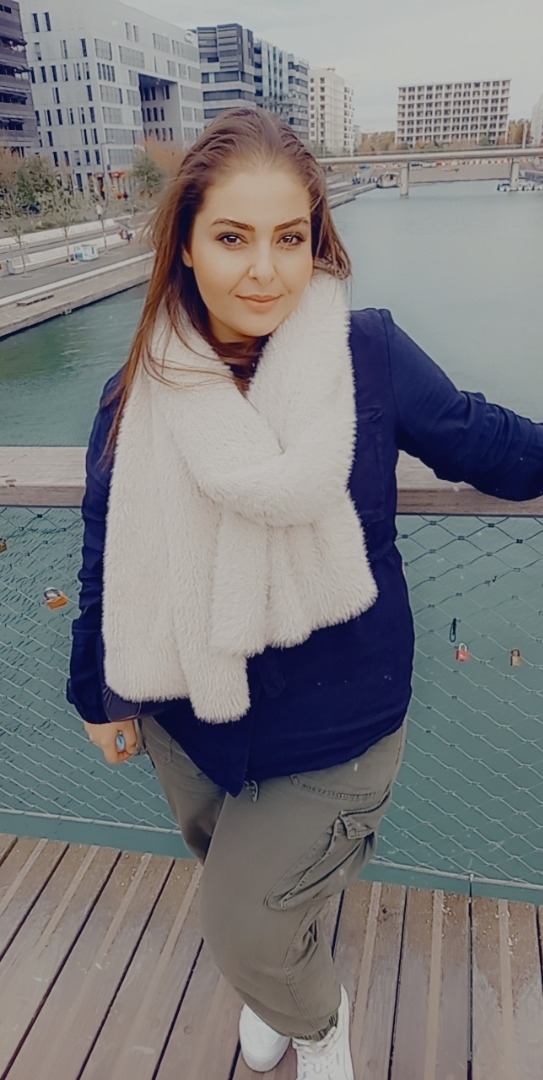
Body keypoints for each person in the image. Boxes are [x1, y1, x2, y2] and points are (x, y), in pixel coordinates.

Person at [67, 108, 543, 1080]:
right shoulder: (137, 392)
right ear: (185, 246)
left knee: (242, 919)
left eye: (289, 238)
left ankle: (318, 1022)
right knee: (243, 877)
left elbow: (481, 442)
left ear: (316, 241)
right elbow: (107, 554)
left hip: (339, 719)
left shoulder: (367, 357)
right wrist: (98, 695)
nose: (263, 270)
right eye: (231, 238)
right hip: (189, 712)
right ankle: (282, 980)